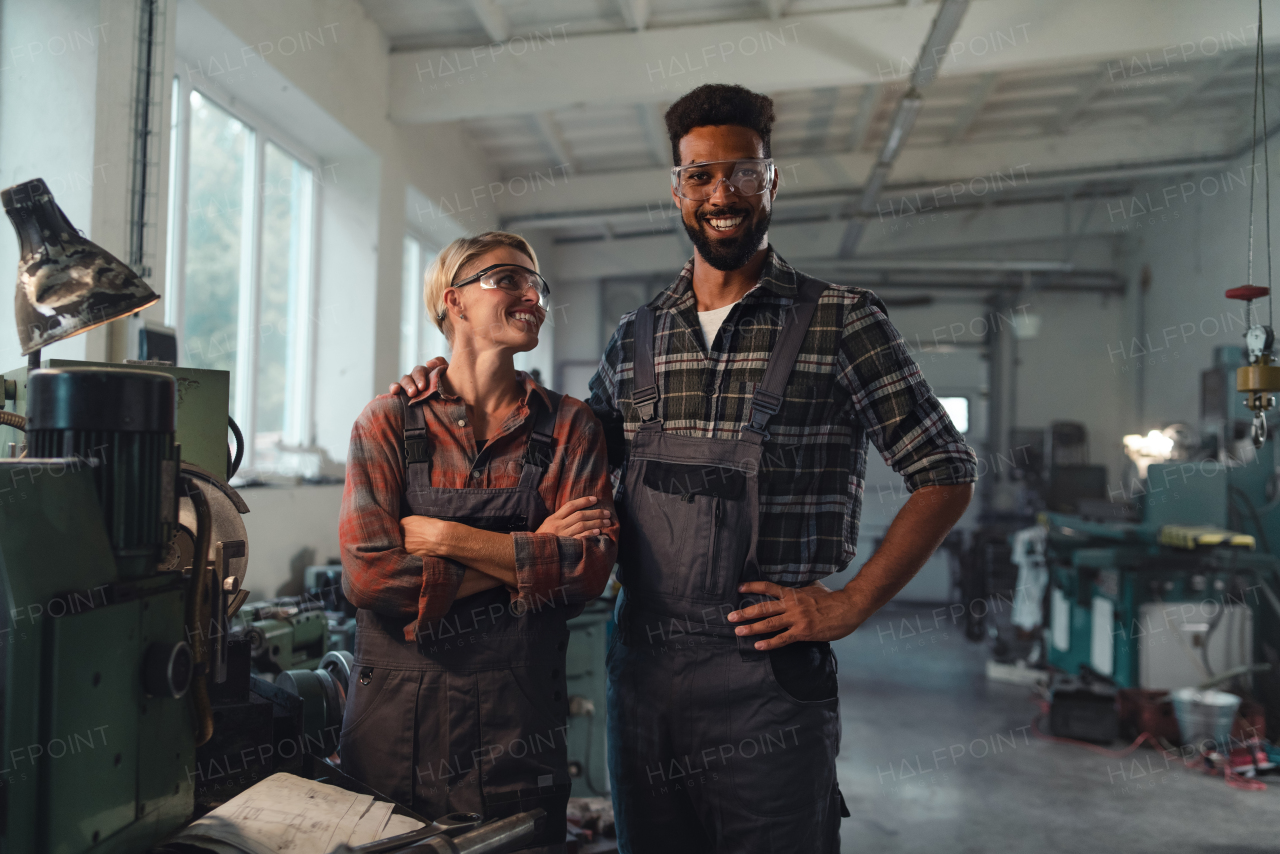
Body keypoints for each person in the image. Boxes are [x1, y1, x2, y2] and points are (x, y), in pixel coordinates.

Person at [391, 85, 977, 853]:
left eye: (740, 172)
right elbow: (563, 451)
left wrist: (851, 603)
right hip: (643, 677)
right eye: (700, 176)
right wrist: (449, 386)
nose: (721, 193)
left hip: (769, 682)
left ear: (771, 179)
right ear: (678, 191)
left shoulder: (842, 320)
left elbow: (946, 468)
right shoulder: (640, 334)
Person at [339, 231, 617, 854]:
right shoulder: (386, 421)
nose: (534, 296)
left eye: (537, 284)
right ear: (454, 301)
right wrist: (529, 552)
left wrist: (445, 537)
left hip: (515, 735)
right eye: (510, 279)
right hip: (391, 738)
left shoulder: (571, 427)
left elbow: (587, 569)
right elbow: (371, 578)